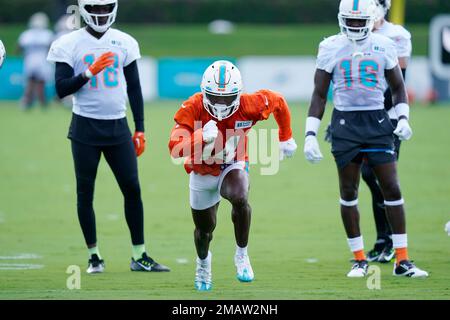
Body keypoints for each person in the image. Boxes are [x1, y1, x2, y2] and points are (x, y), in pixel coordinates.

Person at [303, 0, 427, 278]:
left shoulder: (385, 44)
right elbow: (319, 94)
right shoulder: (330, 47)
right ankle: (359, 259)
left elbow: (398, 87)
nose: (356, 25)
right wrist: (310, 133)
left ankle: (402, 260)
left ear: (371, 19)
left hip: (377, 120)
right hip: (345, 122)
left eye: (361, 21)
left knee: (391, 188)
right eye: (351, 20)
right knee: (349, 191)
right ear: (341, 18)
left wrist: (404, 117)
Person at [47, 0, 169, 274]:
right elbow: (61, 89)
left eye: (105, 8)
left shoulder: (124, 42)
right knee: (85, 192)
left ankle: (139, 255)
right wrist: (89, 72)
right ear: (85, 9)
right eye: (96, 8)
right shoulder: (68, 43)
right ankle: (94, 256)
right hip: (85, 128)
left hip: (117, 128)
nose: (101, 13)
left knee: (132, 189)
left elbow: (135, 89)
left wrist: (140, 128)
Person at [168, 60, 297, 291]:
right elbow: (175, 147)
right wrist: (201, 138)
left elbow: (278, 101)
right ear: (203, 92)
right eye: (214, 97)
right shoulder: (193, 106)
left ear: (238, 94)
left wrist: (285, 136)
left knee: (239, 196)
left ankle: (242, 255)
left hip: (233, 162)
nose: (220, 104)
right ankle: (203, 264)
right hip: (202, 169)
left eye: (227, 98)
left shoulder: (251, 104)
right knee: (204, 231)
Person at [363, 0, 413, 263]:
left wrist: (372, 108)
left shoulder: (397, 35)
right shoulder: (356, 33)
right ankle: (384, 240)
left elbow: (399, 81)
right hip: (362, 118)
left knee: (380, 177)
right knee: (368, 177)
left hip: (388, 117)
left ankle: (392, 241)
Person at [18, 12, 54, 109]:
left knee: (30, 83)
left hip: (30, 60)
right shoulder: (47, 34)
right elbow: (52, 48)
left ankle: (26, 102)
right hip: (42, 61)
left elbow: (19, 48)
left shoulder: (26, 34)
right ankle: (42, 103)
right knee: (41, 84)